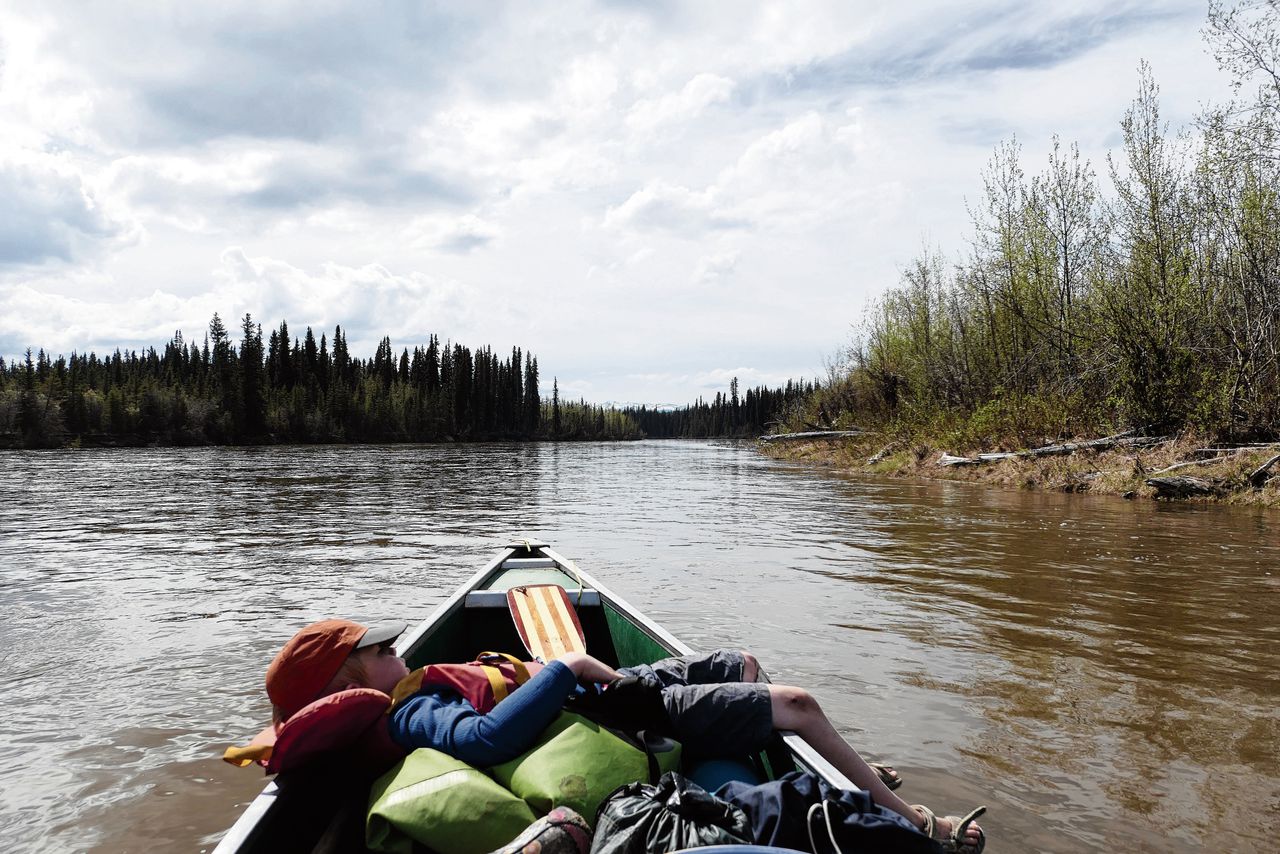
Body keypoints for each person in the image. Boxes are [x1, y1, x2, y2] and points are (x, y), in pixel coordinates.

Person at [264, 618, 985, 853]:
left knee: (744, 664)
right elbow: (484, 741)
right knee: (794, 702)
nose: (400, 648)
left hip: (606, 700)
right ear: (347, 680)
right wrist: (569, 666)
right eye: (382, 645)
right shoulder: (406, 712)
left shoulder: (410, 696)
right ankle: (913, 820)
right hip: (611, 711)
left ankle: (856, 770)